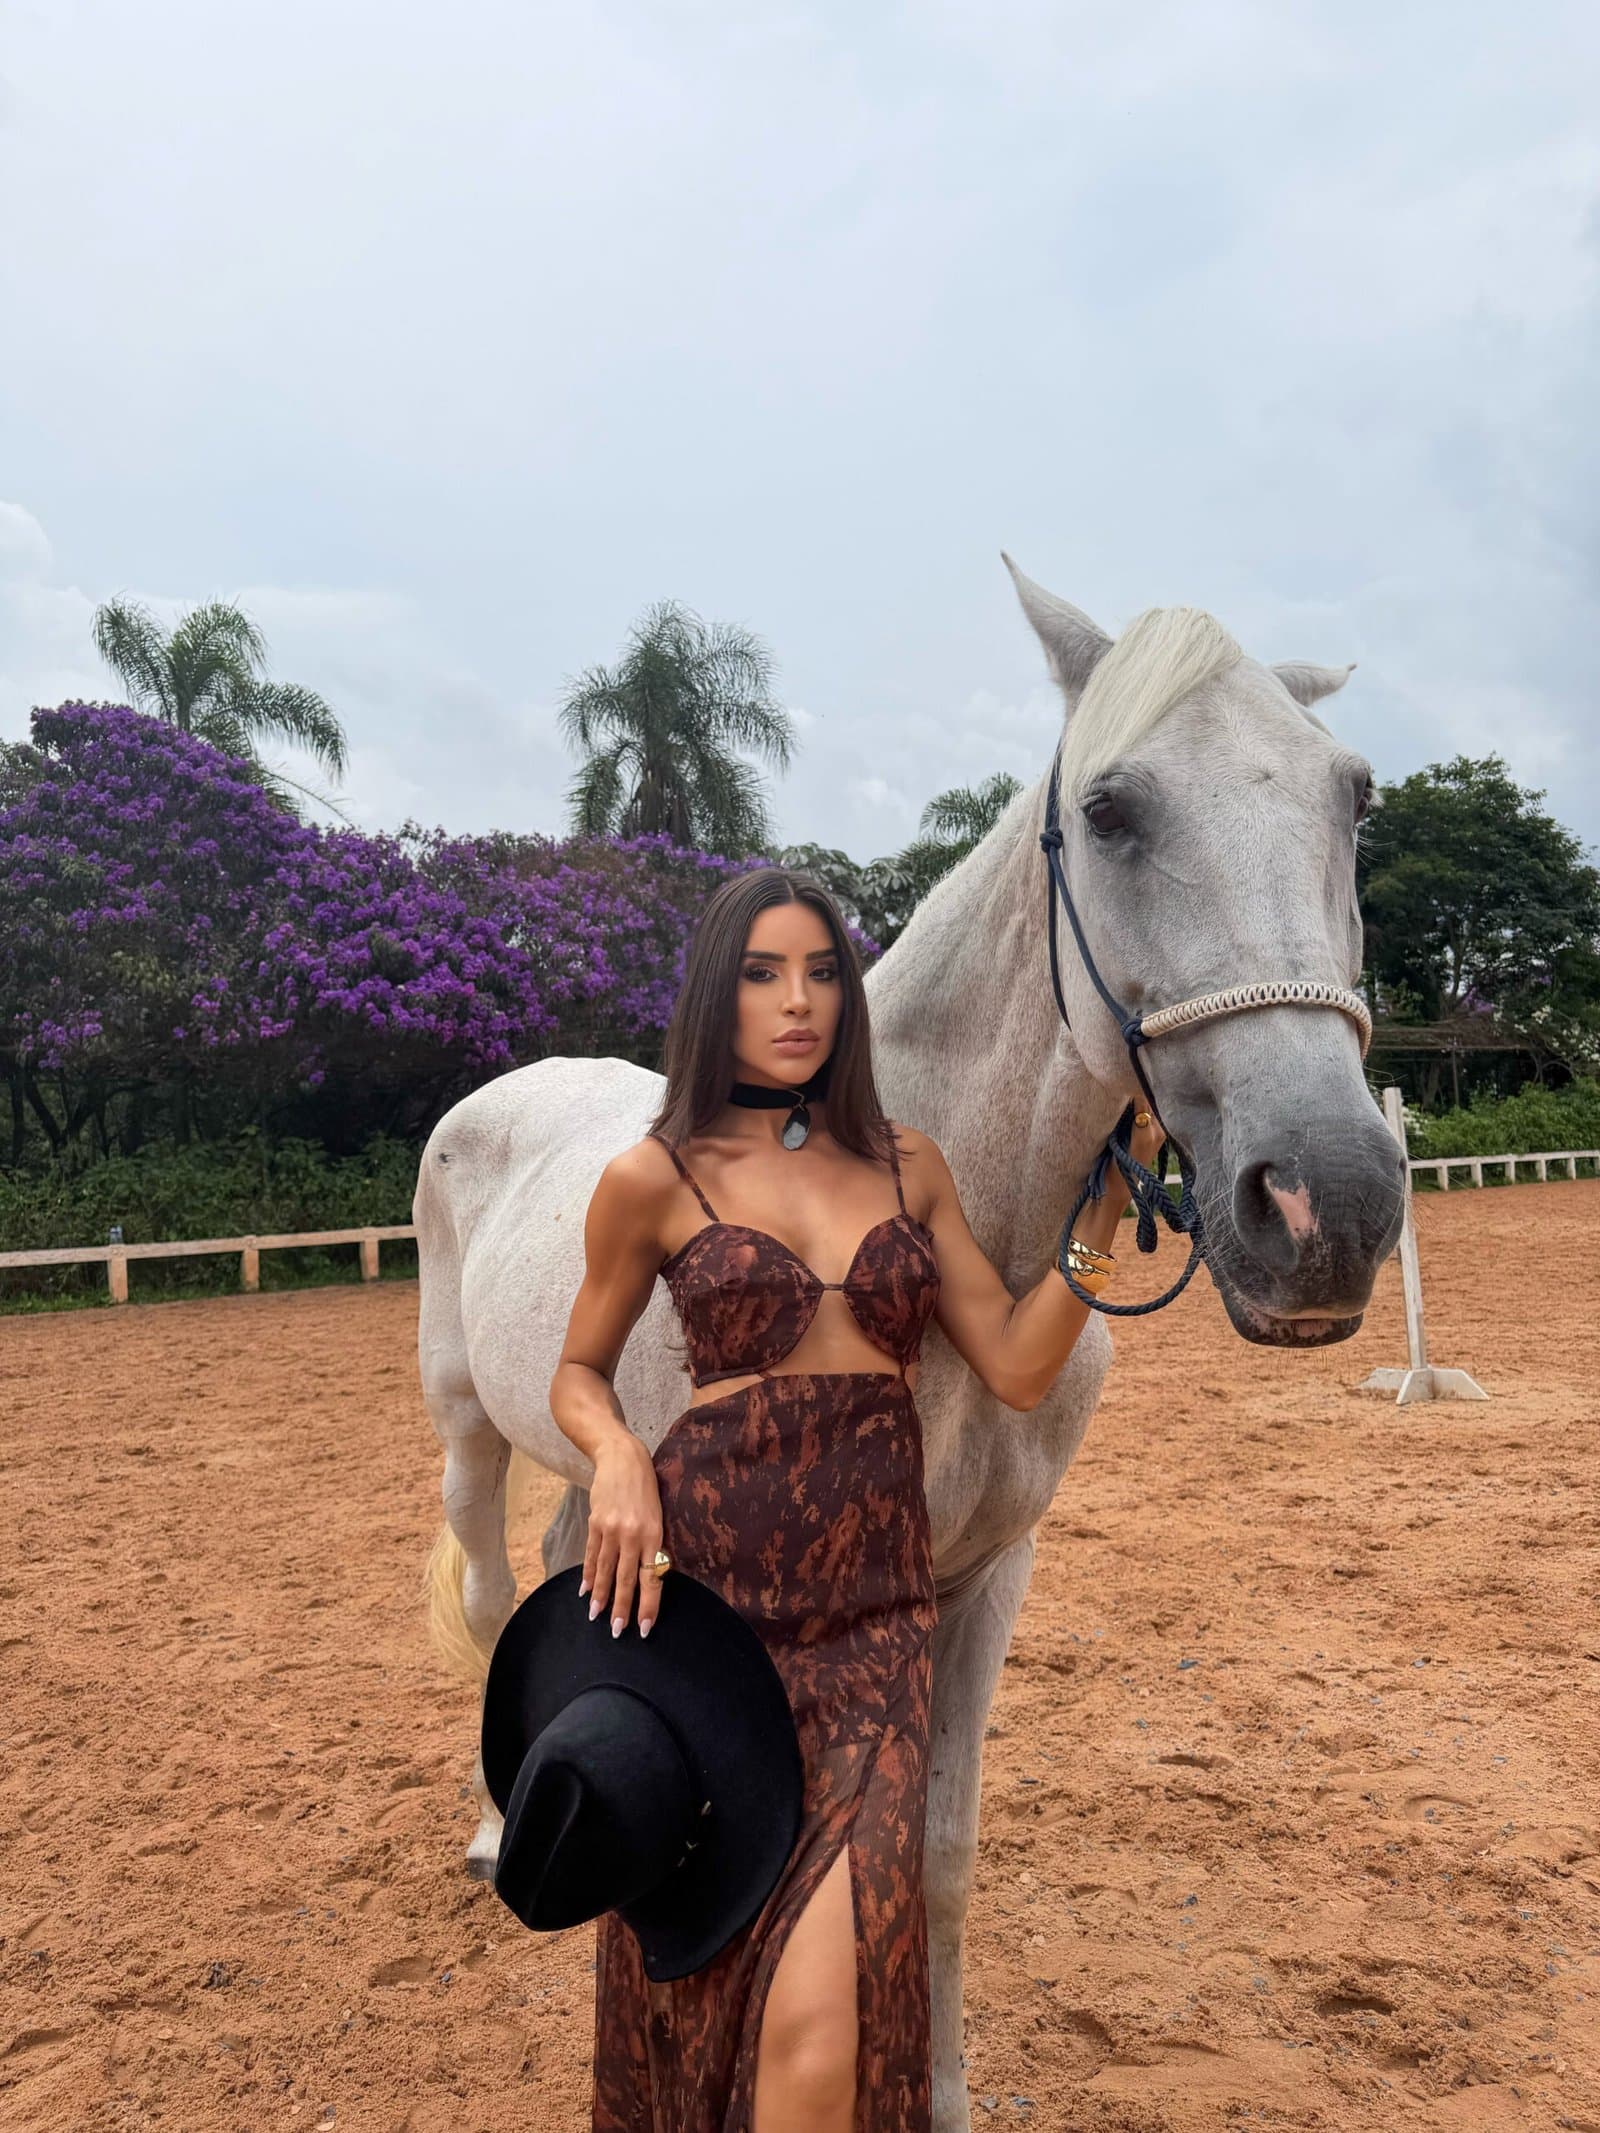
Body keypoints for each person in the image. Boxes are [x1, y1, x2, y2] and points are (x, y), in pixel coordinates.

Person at [548, 865, 1159, 2133]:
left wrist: (1102, 1217)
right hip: (710, 1620)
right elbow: (577, 1373)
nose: (798, 1002)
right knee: (709, 1951)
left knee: (828, 2014)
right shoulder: (652, 1176)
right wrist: (613, 1455)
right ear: (716, 997)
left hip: (877, 1621)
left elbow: (1017, 1361)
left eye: (823, 973)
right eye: (765, 973)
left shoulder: (906, 1165)